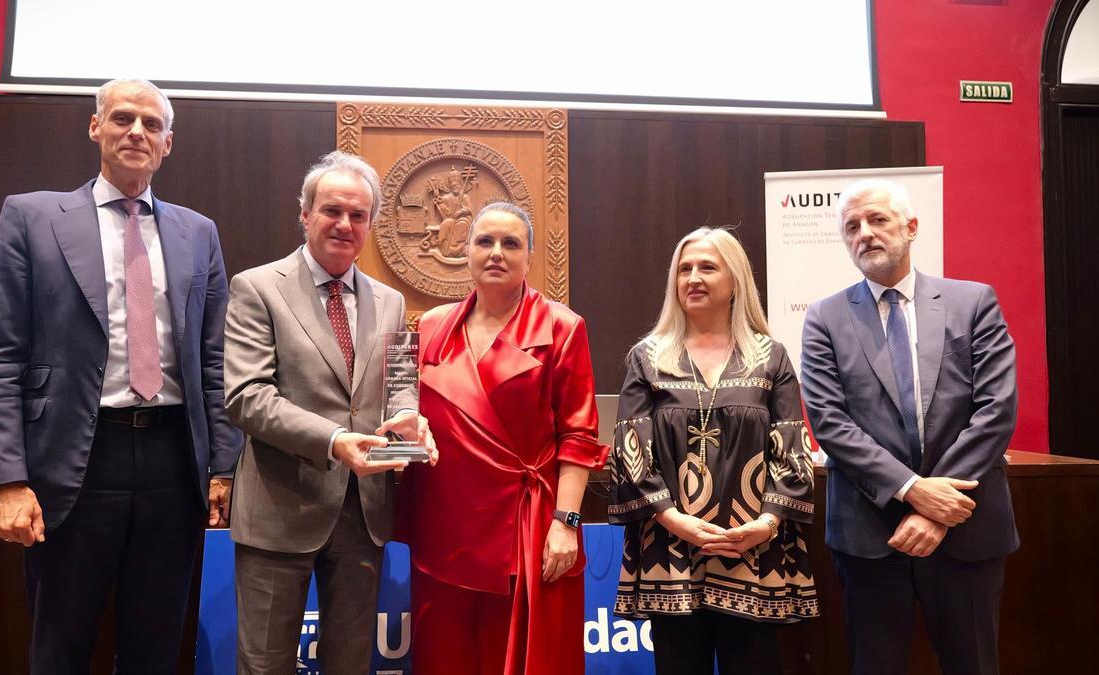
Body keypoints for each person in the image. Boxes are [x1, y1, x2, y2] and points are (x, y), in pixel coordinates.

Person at [0, 78, 242, 673]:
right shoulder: (32, 217)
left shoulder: (198, 232)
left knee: (156, 646)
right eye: (122, 118)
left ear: (169, 143)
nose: (136, 132)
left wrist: (224, 466)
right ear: (96, 127)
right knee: (62, 645)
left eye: (151, 124)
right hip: (73, 461)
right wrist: (5, 479)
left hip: (175, 462)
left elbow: (216, 359)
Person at [224, 150, 436, 675]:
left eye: (358, 215)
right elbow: (247, 396)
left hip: (363, 516)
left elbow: (402, 385)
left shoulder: (389, 300)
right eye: (332, 210)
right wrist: (335, 440)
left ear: (371, 223)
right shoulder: (257, 287)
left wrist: (410, 418)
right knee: (265, 666)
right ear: (305, 213)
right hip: (280, 510)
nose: (344, 224)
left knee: (349, 665)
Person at [800, 179, 1019, 675]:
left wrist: (940, 508)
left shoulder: (974, 302)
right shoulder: (824, 318)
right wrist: (914, 491)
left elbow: (996, 411)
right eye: (852, 226)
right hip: (871, 535)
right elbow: (831, 423)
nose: (865, 234)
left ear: (911, 227)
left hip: (967, 525)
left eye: (877, 220)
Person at [396, 202, 608, 674]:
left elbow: (579, 435)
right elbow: (407, 413)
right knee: (444, 657)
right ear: (466, 252)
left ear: (529, 256)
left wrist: (566, 523)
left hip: (525, 528)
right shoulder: (429, 326)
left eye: (510, 243)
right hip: (444, 523)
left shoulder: (562, 327)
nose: (496, 253)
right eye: (484, 241)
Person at [608, 226, 818, 675]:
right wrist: (674, 519)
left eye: (707, 267)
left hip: (753, 549)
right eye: (684, 269)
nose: (693, 278)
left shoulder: (771, 356)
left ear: (735, 281)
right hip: (670, 549)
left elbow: (793, 446)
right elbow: (629, 451)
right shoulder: (647, 357)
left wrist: (767, 523)